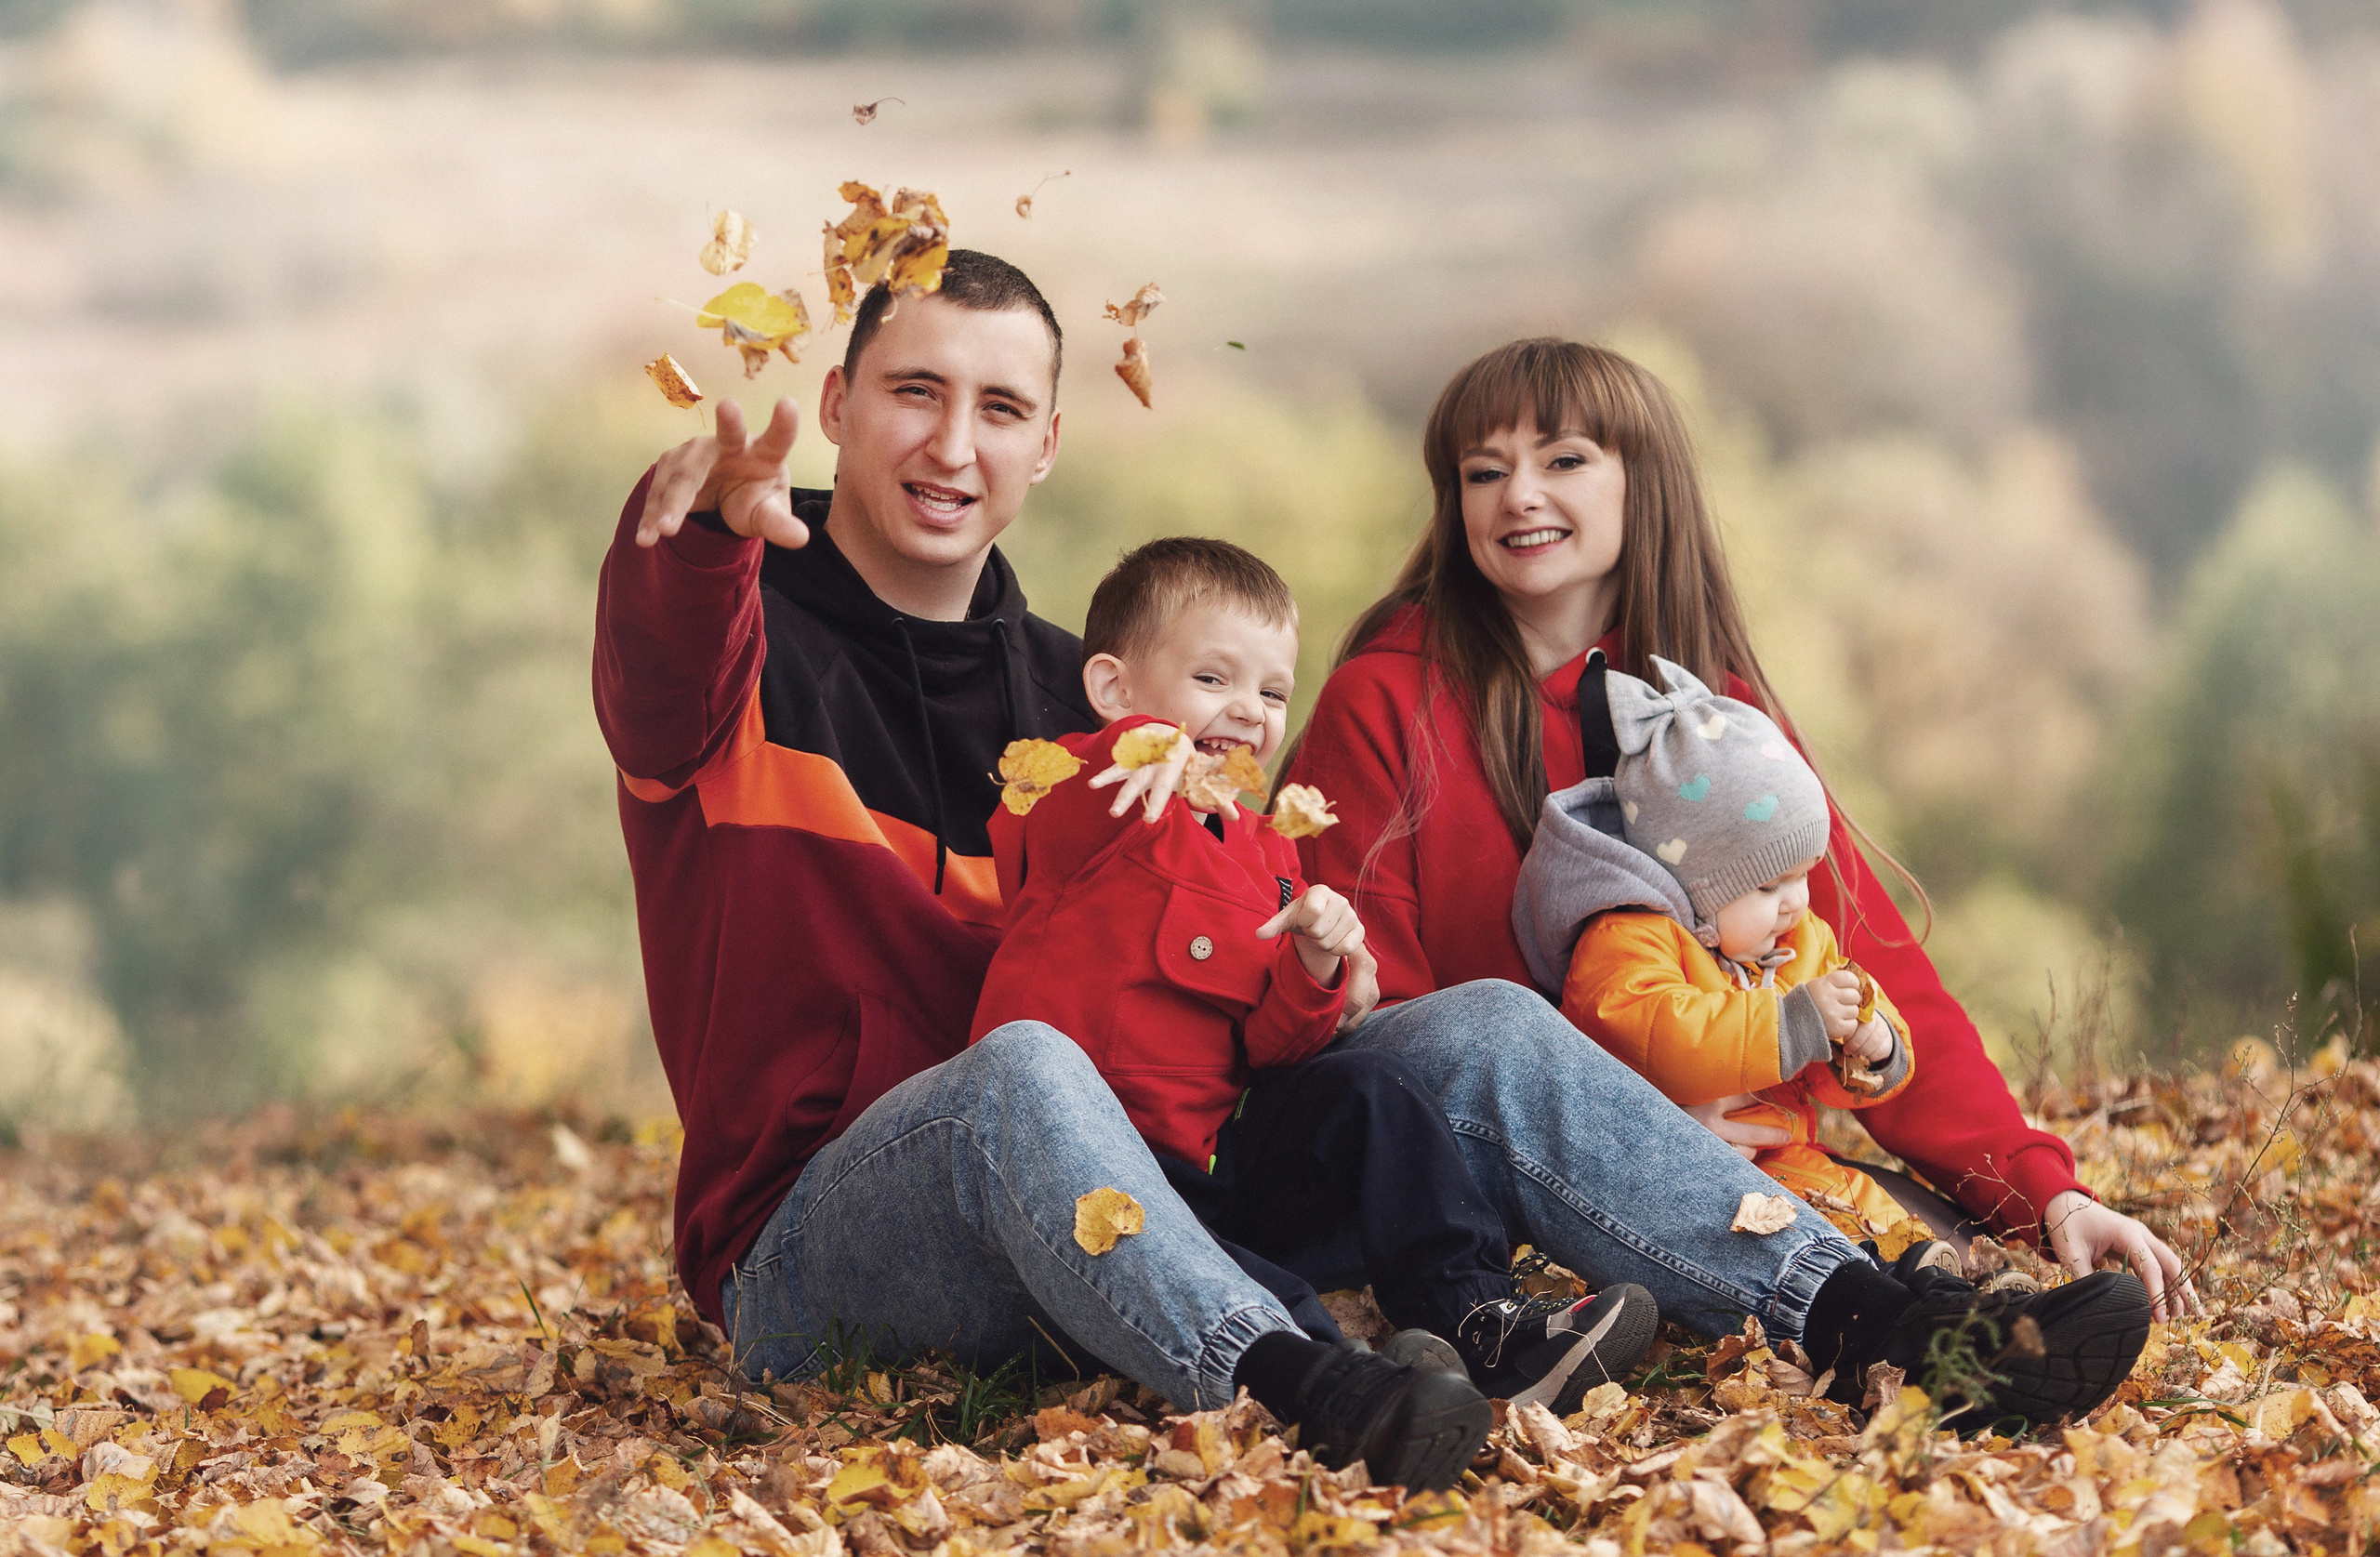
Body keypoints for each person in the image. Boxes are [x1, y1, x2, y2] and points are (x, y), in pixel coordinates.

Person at [595, 257, 2133, 1469]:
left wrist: (1315, 971)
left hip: (1128, 1191)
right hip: (824, 1242)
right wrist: (699, 547)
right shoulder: (742, 651)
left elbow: (1230, 1006)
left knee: (1473, 1029)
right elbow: (658, 678)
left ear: (1047, 445)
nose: (952, 441)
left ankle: (1876, 1323)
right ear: (844, 402)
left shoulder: (1107, 706)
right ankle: (1301, 1388)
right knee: (1024, 1070)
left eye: (999, 407)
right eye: (913, 393)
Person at [1282, 335, 2197, 1322]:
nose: (1516, 496)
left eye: (1563, 460)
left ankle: (1957, 1338)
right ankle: (1881, 1324)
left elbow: (1866, 966)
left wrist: (2042, 1189)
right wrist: (1632, 1137)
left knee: (1937, 1238)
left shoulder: (1710, 714)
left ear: (1646, 485)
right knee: (1515, 1052)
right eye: (1483, 472)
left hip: (1717, 1159)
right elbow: (1386, 1037)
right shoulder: (1383, 702)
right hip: (1456, 1171)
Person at [972, 536, 1658, 1418]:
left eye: (1271, 692)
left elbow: (1272, 1045)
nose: (1248, 711)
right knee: (1216, 1263)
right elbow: (1044, 813)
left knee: (1367, 1080)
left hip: (1219, 1158)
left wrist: (1314, 960)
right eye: (1212, 680)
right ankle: (1343, 1377)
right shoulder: (1091, 797)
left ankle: (1476, 1317)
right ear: (1113, 689)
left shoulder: (1267, 853)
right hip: (1097, 1176)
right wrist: (1138, 750)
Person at [1512, 653, 1960, 1276]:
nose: (1798, 901)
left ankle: (1949, 1284)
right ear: (1696, 884)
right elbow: (1661, 1035)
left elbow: (1839, 1042)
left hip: (1784, 1155)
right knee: (1812, 1238)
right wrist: (1794, 1023)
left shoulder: (1797, 939)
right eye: (1770, 884)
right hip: (1671, 1185)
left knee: (1866, 1208)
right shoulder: (1626, 940)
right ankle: (1897, 1290)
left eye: (1803, 874)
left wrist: (1869, 1043)